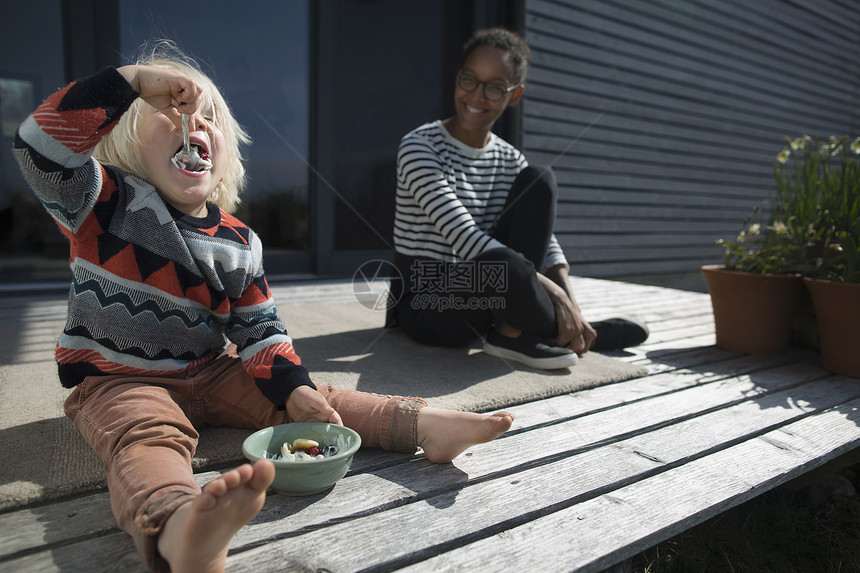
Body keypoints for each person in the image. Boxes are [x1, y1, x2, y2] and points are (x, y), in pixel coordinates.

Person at [13, 42, 514, 573]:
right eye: (171, 111)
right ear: (127, 139)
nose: (194, 125)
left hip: (209, 372)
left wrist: (294, 389)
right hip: (119, 379)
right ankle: (177, 527)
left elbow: (260, 328)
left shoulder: (239, 240)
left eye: (209, 120)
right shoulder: (102, 200)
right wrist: (133, 81)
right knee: (145, 434)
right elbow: (40, 146)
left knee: (313, 398)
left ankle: (420, 426)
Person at [389, 28, 648, 370]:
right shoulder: (419, 147)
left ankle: (513, 331)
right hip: (428, 299)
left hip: (493, 284)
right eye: (470, 80)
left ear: (514, 95)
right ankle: (581, 333)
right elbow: (463, 238)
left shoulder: (509, 158)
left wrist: (571, 300)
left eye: (494, 87)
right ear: (458, 79)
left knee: (539, 180)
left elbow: (545, 240)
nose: (477, 96)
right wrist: (554, 298)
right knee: (504, 264)